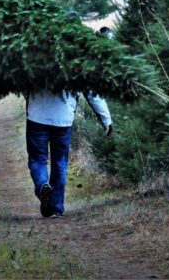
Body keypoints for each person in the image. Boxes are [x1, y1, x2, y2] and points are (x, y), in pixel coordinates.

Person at [26, 89, 112, 218]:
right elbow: (92, 92)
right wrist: (106, 119)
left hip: (37, 116)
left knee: (37, 160)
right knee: (60, 163)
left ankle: (42, 186)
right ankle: (55, 208)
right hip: (63, 118)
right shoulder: (78, 68)